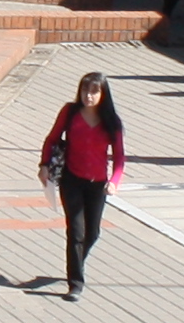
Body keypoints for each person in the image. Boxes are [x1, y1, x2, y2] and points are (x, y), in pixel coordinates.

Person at [39, 72, 127, 296]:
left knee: (93, 232)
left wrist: (114, 182)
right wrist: (44, 165)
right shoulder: (70, 112)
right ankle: (75, 283)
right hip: (72, 179)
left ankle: (76, 261)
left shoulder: (112, 122)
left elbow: (119, 158)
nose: (88, 96)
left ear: (103, 94)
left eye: (94, 92)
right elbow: (51, 139)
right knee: (76, 231)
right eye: (85, 91)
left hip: (97, 183)